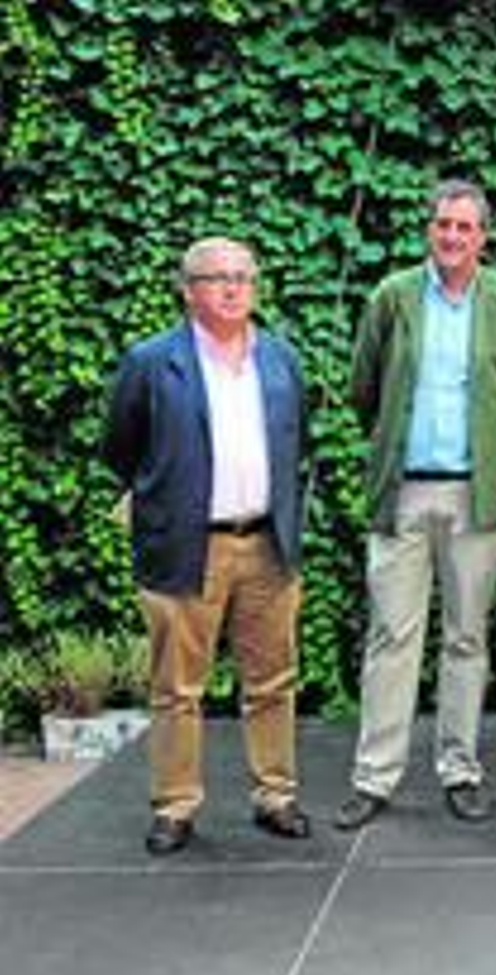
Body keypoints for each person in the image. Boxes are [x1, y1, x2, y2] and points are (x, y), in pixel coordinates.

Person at [334, 180, 496, 830]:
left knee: (465, 637)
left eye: (465, 227)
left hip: (475, 492)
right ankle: (375, 777)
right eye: (443, 224)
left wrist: (488, 445)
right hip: (404, 489)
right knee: (392, 634)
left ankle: (460, 769)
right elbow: (364, 387)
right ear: (429, 229)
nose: (452, 237)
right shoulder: (393, 297)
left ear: (484, 236)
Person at [105, 237, 309, 854]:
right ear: (187, 289)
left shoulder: (279, 358)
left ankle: (275, 795)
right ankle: (175, 805)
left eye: (243, 276)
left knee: (273, 681)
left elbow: (298, 441)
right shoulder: (149, 362)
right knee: (177, 688)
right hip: (186, 546)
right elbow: (121, 446)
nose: (232, 288)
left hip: (267, 544)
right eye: (217, 277)